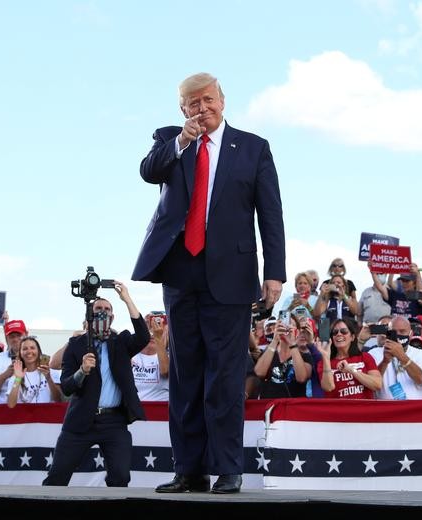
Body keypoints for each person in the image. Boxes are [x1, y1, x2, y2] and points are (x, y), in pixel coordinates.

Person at [131, 72, 285, 495]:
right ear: (183, 108)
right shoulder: (169, 139)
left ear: (223, 100)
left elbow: (270, 215)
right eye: (193, 103)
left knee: (225, 375)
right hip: (181, 272)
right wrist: (182, 140)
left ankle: (228, 468)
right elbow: (148, 172)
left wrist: (275, 272)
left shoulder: (253, 148)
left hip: (231, 275)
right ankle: (189, 470)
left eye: (208, 100)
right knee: (184, 375)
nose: (203, 108)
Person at [43, 284, 149, 487]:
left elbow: (143, 336)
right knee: (57, 477)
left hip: (114, 422)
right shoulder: (76, 345)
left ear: (113, 316)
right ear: (89, 317)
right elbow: (66, 387)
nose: (103, 312)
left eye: (107, 309)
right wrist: (82, 371)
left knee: (120, 478)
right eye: (98, 309)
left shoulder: (121, 342)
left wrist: (126, 299)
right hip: (81, 421)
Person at [315, 318, 382, 399]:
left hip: (363, 410)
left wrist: (351, 370)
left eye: (344, 331)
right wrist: (326, 357)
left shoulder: (365, 357)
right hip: (339, 410)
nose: (339, 334)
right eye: (335, 332)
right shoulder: (324, 362)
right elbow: (328, 387)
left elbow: (377, 384)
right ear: (332, 338)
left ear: (352, 337)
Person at [0, 319, 30, 404]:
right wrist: (5, 375)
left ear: (26, 334)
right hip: (3, 412)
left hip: (31, 411)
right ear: (6, 338)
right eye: (12, 336)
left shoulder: (37, 357)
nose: (15, 339)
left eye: (19, 335)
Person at [7, 336, 62, 407]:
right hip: (25, 417)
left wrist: (49, 378)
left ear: (38, 351)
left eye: (32, 348)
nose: (29, 351)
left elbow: (59, 400)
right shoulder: (17, 375)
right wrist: (18, 379)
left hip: (48, 416)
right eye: (25, 349)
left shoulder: (50, 372)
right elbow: (11, 405)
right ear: (20, 353)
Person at [132, 313, 170, 401]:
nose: (152, 332)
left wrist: (159, 337)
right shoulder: (129, 355)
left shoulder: (171, 356)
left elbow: (165, 371)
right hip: (133, 412)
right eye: (147, 326)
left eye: (159, 325)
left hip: (159, 410)